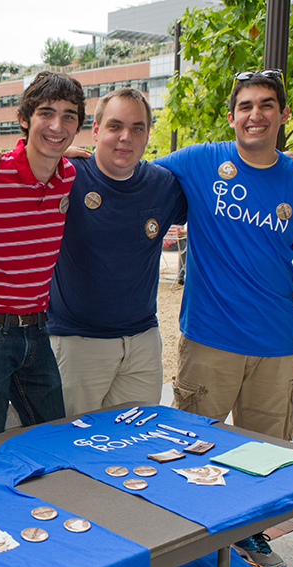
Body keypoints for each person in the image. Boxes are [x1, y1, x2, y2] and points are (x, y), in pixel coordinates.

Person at [156, 69, 293, 567]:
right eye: (246, 106)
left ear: (281, 115)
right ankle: (187, 540)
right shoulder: (200, 161)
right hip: (209, 342)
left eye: (266, 105)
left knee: (264, 455)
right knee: (192, 448)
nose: (255, 114)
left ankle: (250, 533)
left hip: (275, 346)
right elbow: (126, 168)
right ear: (232, 115)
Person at [0, 72, 83, 440]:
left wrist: (61, 150)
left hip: (38, 331)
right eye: (46, 113)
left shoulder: (69, 176)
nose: (57, 125)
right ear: (25, 120)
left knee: (54, 438)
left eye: (68, 116)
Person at [45, 88, 188, 416]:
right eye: (115, 126)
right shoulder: (65, 175)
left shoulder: (164, 185)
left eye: (137, 128)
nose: (126, 137)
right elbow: (12, 173)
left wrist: (286, 164)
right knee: (69, 447)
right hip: (76, 343)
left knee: (135, 444)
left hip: (142, 345)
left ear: (148, 135)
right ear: (95, 131)